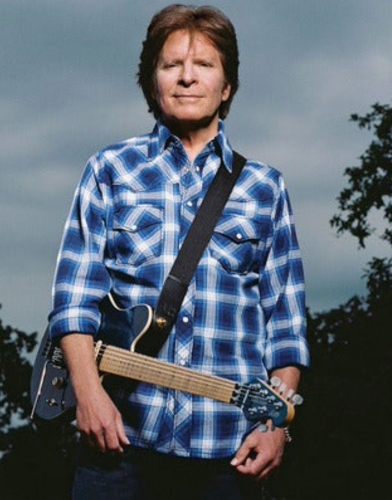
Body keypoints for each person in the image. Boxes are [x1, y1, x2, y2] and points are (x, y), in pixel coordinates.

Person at [48, 4, 310, 499]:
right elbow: (73, 300)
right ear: (153, 82)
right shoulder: (109, 169)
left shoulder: (265, 188)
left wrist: (277, 425)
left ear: (226, 86)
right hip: (119, 447)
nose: (187, 77)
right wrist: (88, 394)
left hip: (228, 455)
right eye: (172, 65)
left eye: (204, 65)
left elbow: (286, 327)